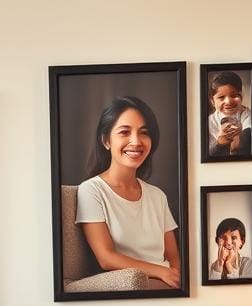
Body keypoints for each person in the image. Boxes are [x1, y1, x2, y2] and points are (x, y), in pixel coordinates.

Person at [74, 96, 182, 290]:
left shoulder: (157, 195)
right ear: (106, 140)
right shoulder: (91, 190)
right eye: (124, 132)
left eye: (144, 133)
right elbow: (106, 258)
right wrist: (162, 273)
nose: (136, 141)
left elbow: (174, 259)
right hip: (131, 287)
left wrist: (174, 281)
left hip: (168, 286)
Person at [206, 71, 252, 158]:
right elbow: (208, 153)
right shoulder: (210, 121)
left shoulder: (246, 114)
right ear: (212, 101)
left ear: (241, 96)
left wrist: (241, 135)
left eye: (234, 95)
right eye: (221, 97)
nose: (228, 101)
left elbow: (249, 137)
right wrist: (219, 143)